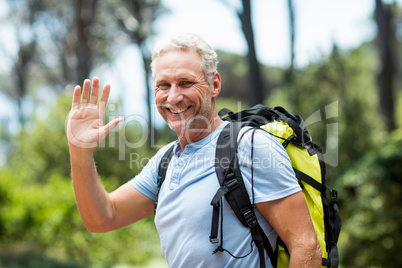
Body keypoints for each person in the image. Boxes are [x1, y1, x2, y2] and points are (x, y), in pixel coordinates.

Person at [67, 33, 321, 267]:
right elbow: (103, 217)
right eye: (163, 85)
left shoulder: (249, 146)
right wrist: (80, 150)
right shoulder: (165, 162)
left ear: (214, 84)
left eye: (185, 83)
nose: (174, 97)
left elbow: (306, 245)